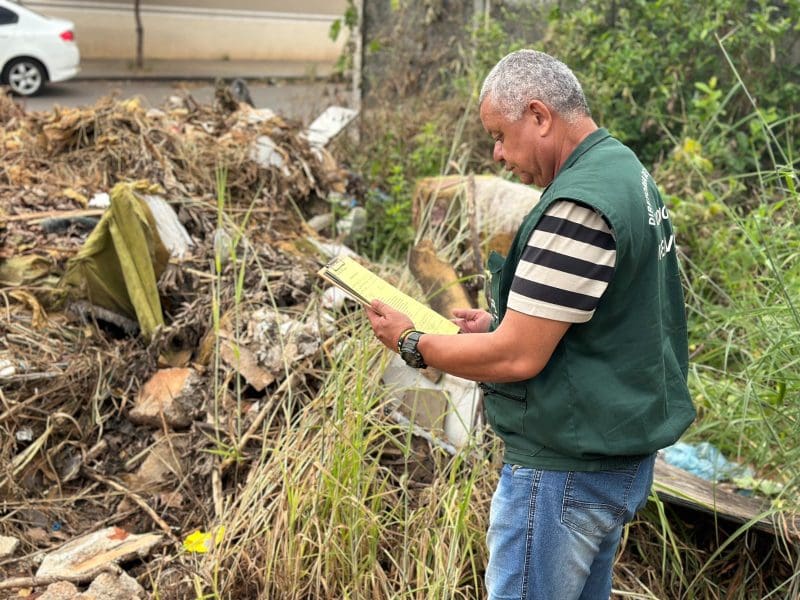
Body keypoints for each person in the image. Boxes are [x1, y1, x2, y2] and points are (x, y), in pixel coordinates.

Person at [366, 49, 696, 599]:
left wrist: (411, 341)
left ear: (539, 116)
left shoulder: (577, 205)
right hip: (611, 459)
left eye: (499, 134)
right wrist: (500, 322)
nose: (496, 154)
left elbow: (517, 357)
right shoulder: (624, 172)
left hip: (563, 473)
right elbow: (603, 316)